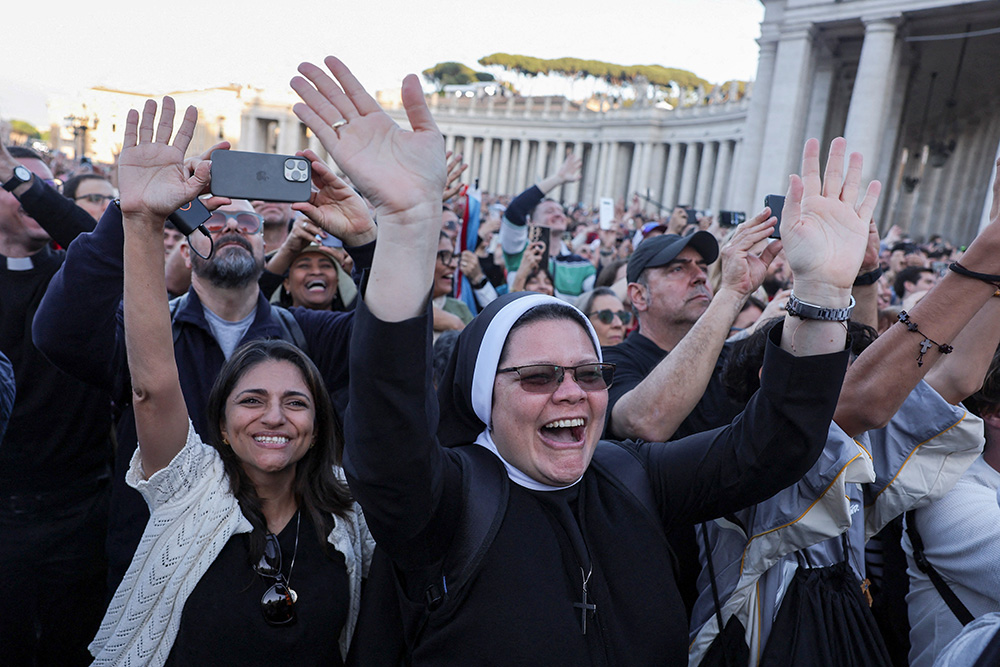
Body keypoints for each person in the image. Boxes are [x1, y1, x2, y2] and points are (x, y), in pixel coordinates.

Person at [289, 55, 872, 664]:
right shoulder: (441, 503)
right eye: (538, 377)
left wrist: (824, 294)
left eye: (590, 374)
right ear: (482, 395)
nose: (571, 393)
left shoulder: (633, 477)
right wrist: (409, 228)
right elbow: (388, 420)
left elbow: (777, 441)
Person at [32, 127, 377, 597]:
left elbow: (390, 341)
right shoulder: (146, 335)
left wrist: (366, 244)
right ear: (186, 242)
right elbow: (60, 332)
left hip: (288, 573)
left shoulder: (308, 335)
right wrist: (131, 216)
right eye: (215, 220)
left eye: (249, 223)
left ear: (266, 247)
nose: (233, 227)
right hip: (160, 576)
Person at [0, 143, 114, 665]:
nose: (34, 195)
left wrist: (22, 180)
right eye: (19, 187)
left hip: (80, 506)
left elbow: (94, 240)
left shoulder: (74, 278)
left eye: (46, 186)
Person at [500, 153, 596, 300]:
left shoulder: (581, 264)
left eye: (560, 211)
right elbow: (515, 210)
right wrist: (557, 179)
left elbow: (596, 296)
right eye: (549, 211)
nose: (558, 215)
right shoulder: (519, 250)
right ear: (532, 222)